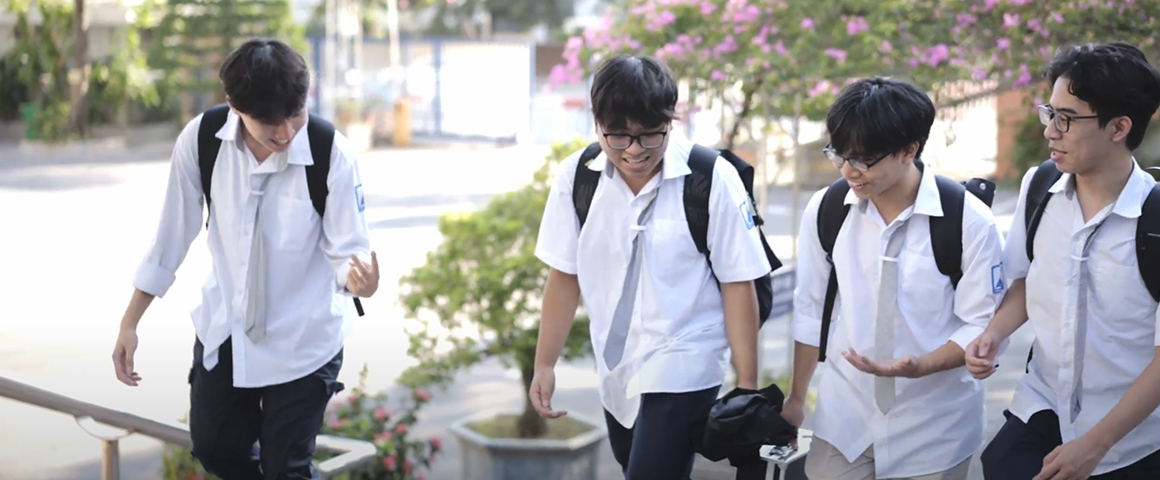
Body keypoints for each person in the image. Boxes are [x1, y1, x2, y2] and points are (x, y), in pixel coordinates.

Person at [110, 38, 379, 480]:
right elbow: (171, 236)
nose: (286, 134)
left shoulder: (331, 152)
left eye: (295, 116)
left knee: (286, 469)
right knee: (215, 449)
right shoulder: (201, 140)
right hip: (228, 329)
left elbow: (347, 251)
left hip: (304, 336)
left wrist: (359, 282)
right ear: (234, 104)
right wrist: (130, 322)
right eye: (269, 122)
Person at [527, 54, 773, 479]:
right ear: (596, 121)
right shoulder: (578, 177)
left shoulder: (710, 178)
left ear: (671, 121)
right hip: (616, 362)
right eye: (618, 136)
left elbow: (738, 283)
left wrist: (747, 387)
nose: (635, 150)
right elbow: (565, 275)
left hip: (687, 354)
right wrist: (544, 364)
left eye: (649, 136)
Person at [785, 77, 1006, 480]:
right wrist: (796, 398)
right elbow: (810, 309)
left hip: (933, 429)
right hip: (843, 421)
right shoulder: (827, 209)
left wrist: (919, 366)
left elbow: (983, 323)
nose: (849, 170)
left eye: (864, 159)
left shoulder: (968, 221)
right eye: (840, 154)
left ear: (909, 150)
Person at [969, 42, 1160, 480]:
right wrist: (993, 335)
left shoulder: (1154, 219)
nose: (1050, 132)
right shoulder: (1040, 188)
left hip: (1133, 442)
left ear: (1119, 127)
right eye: (1049, 113)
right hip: (1043, 408)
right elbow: (1024, 283)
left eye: (1066, 119)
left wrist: (1094, 445)